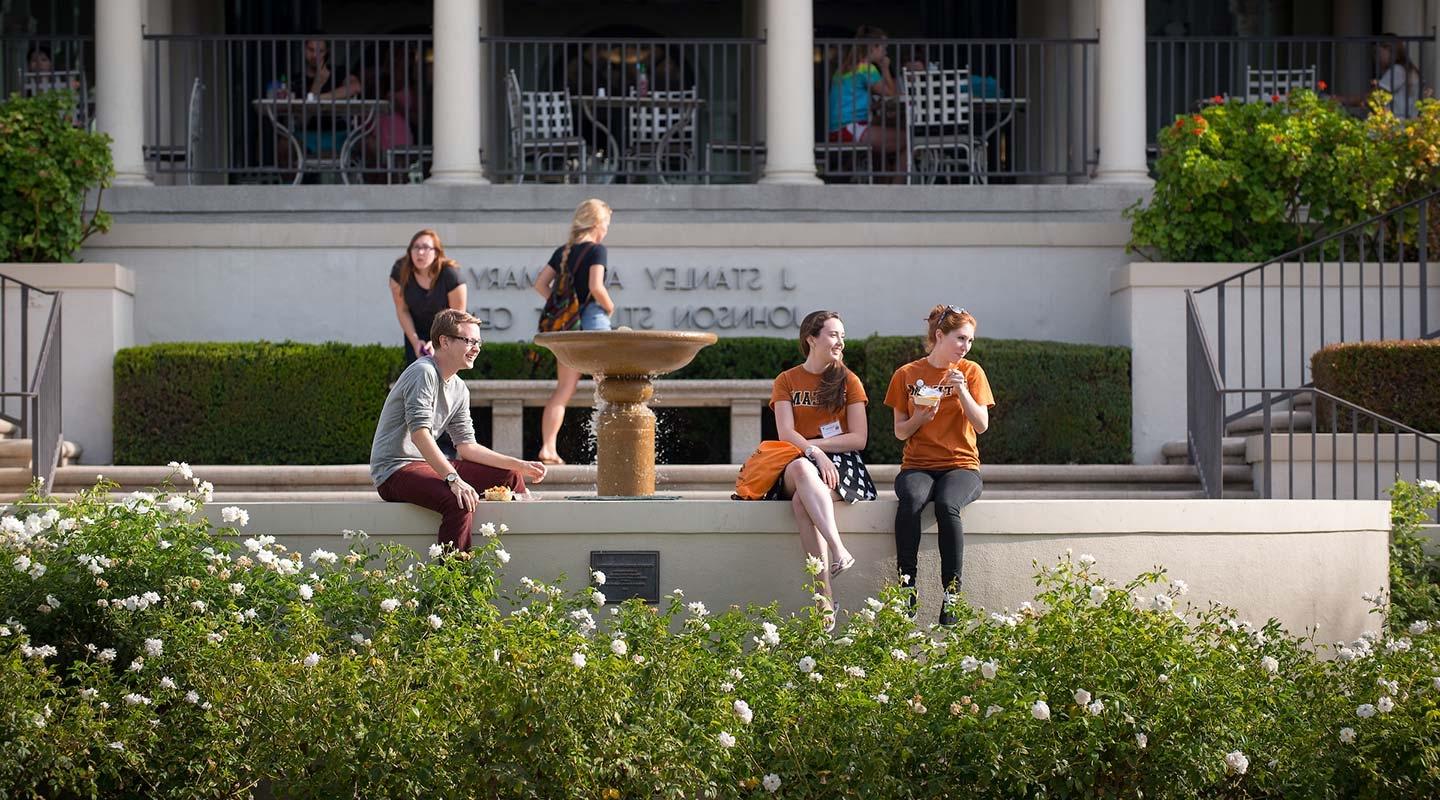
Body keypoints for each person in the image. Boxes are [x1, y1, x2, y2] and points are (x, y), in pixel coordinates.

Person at [371, 309, 547, 551]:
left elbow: (467, 447)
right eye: (469, 341)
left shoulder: (460, 389)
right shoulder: (423, 373)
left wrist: (520, 464)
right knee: (459, 500)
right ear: (444, 341)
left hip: (426, 466)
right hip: (395, 471)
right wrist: (454, 479)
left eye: (478, 342)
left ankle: (521, 552)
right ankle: (453, 583)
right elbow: (419, 433)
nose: (476, 348)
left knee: (509, 476)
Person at [884, 305, 995, 625]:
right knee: (912, 502)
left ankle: (952, 596)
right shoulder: (906, 375)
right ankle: (906, 590)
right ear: (939, 336)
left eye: (970, 341)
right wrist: (920, 417)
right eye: (960, 338)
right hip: (918, 464)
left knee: (947, 505)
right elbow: (900, 431)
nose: (966, 346)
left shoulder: (972, 372)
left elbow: (982, 425)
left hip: (961, 465)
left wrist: (960, 389)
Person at [769, 310, 876, 631]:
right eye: (833, 335)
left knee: (803, 502)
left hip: (842, 463)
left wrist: (822, 451)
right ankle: (838, 548)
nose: (840, 342)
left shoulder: (849, 381)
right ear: (811, 338)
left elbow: (858, 438)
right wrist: (813, 450)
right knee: (803, 468)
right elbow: (786, 434)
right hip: (796, 459)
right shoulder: (787, 380)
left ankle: (824, 599)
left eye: (842, 335)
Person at [531, 198, 617, 465]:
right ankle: (614, 450)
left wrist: (560, 306)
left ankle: (547, 448)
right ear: (596, 223)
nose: (606, 230)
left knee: (563, 390)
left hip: (568, 327)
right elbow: (596, 286)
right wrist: (610, 307)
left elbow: (540, 284)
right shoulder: (596, 250)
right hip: (593, 321)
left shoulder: (563, 251)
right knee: (608, 388)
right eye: (606, 224)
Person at [826, 25, 906, 182]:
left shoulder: (844, 68)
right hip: (850, 128)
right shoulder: (866, 68)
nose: (885, 52)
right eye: (883, 47)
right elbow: (890, 93)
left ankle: (880, 185)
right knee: (907, 140)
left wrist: (875, 106)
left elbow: (851, 100)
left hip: (839, 128)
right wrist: (885, 68)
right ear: (873, 47)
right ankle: (896, 192)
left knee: (886, 128)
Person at [388, 229, 466, 365]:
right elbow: (402, 310)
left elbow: (457, 316)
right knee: (418, 375)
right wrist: (415, 341)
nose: (420, 252)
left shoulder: (451, 275)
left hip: (447, 331)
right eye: (416, 247)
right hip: (415, 332)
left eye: (426, 247)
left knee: (443, 376)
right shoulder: (399, 272)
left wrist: (438, 343)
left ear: (436, 252)